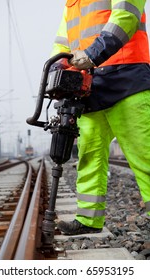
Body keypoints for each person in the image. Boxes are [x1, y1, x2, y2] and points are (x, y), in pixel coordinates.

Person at [50, 0, 150, 235]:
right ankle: (88, 219)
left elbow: (125, 16)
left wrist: (94, 54)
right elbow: (62, 43)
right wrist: (58, 68)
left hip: (127, 77)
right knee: (89, 155)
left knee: (145, 154)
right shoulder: (72, 3)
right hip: (90, 85)